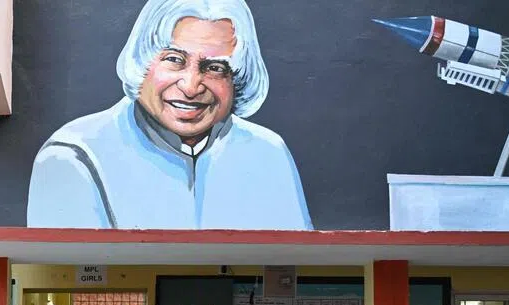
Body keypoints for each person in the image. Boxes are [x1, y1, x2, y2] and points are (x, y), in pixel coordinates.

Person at [28, 0, 312, 231]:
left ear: (236, 79)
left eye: (215, 67)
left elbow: (297, 267)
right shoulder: (75, 156)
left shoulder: (268, 154)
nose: (190, 86)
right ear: (141, 61)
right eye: (174, 60)